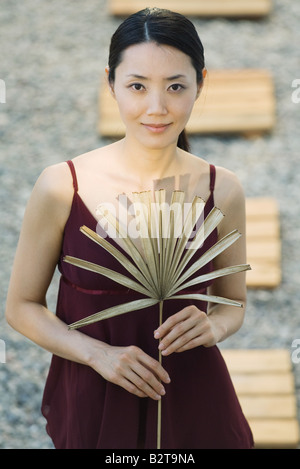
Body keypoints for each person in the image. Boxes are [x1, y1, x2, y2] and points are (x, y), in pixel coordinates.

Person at [5, 8, 254, 449]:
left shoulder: (222, 189)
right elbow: (22, 306)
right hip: (95, 393)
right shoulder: (64, 185)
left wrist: (214, 328)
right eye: (137, 86)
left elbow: (232, 303)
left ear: (201, 83)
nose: (156, 108)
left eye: (176, 87)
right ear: (111, 83)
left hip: (194, 395)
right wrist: (97, 354)